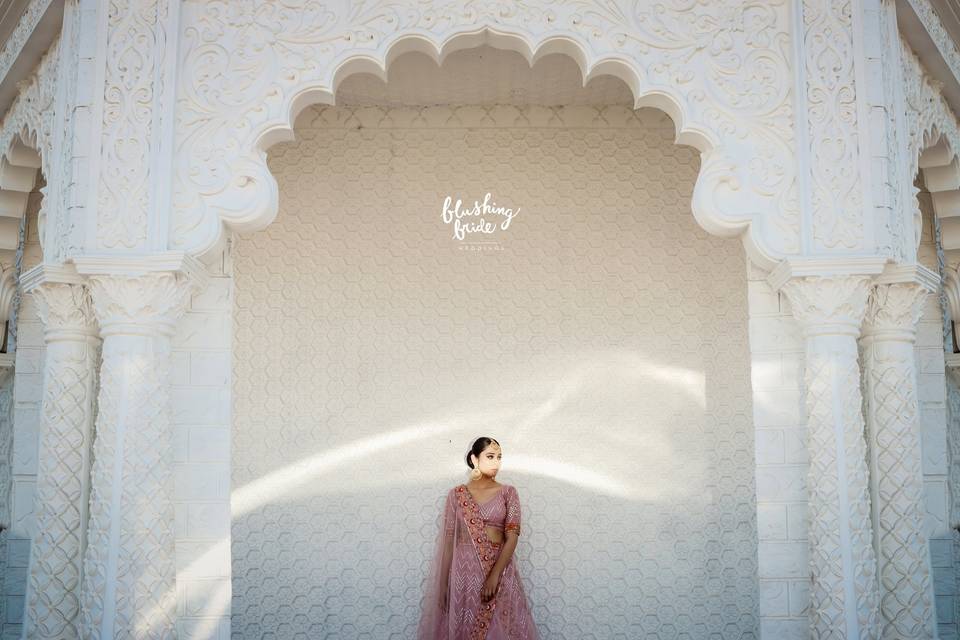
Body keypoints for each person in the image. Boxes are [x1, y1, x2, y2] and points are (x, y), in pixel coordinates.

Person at [417, 437, 540, 639]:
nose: (496, 462)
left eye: (499, 457)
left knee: (502, 626)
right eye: (490, 456)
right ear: (474, 459)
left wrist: (495, 575)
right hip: (463, 573)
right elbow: (449, 543)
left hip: (498, 568)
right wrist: (444, 584)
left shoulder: (508, 492)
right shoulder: (456, 495)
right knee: (463, 623)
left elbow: (512, 537)